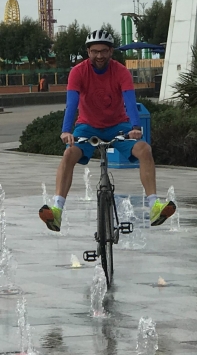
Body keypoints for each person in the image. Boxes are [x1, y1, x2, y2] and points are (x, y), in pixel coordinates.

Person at [39, 29, 175, 232]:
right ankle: (57, 208)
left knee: (144, 149)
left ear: (111, 51)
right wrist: (66, 130)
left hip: (118, 126)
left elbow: (130, 101)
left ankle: (154, 205)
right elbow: (72, 103)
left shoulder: (120, 72)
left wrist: (136, 128)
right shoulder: (78, 71)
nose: (99, 56)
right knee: (69, 154)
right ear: (88, 52)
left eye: (104, 51)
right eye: (95, 51)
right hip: (86, 127)